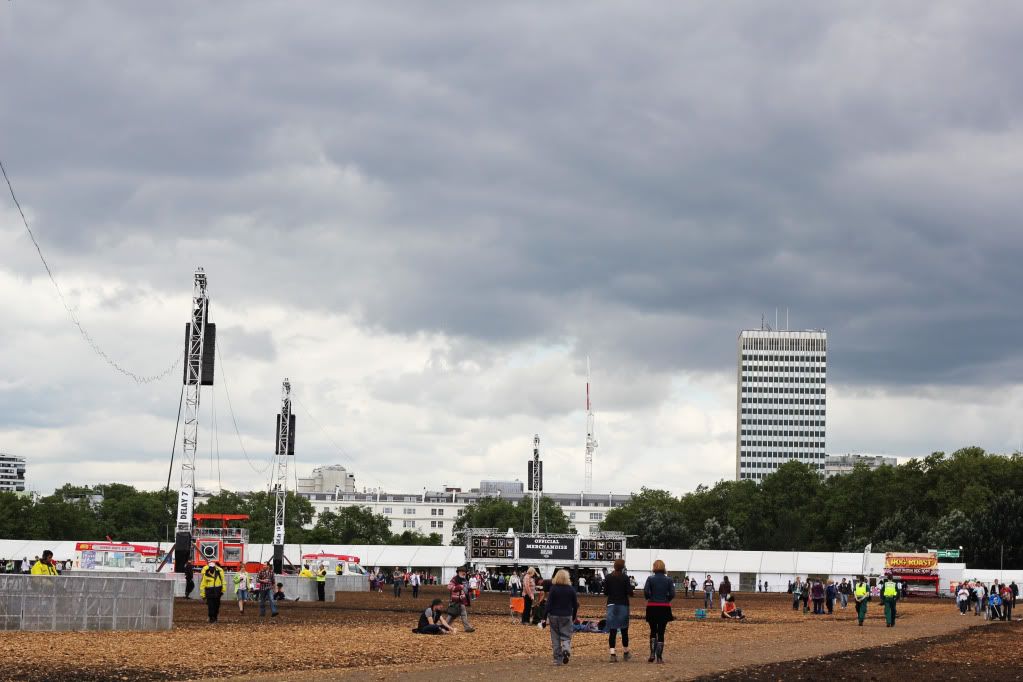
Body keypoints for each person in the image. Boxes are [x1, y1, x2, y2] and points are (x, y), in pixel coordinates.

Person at [644, 559, 675, 664]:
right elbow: (672, 593)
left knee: (653, 630)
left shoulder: (650, 578)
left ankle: (652, 653)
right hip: (664, 607)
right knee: (661, 631)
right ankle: (659, 657)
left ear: (654, 567)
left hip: (652, 606)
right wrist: (667, 600)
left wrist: (650, 597)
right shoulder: (669, 580)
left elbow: (646, 592)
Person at [546, 569, 579, 666]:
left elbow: (548, 604)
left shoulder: (553, 588)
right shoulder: (571, 589)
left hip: (553, 615)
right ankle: (565, 649)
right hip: (566, 615)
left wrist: (544, 617)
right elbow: (575, 605)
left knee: (555, 638)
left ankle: (557, 659)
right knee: (566, 635)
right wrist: (574, 616)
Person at [604, 558, 633, 662]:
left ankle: (612, 654)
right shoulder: (625, 578)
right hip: (623, 605)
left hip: (611, 604)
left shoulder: (608, 577)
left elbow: (605, 592)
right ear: (623, 567)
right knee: (624, 630)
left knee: (612, 630)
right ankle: (625, 652)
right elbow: (630, 592)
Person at [445, 566, 475, 632]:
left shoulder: (464, 580)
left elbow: (466, 589)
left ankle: (446, 627)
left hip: (461, 600)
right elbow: (449, 587)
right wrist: (459, 587)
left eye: (464, 572)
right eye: (462, 571)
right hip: (455, 600)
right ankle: (444, 627)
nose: (463, 573)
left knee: (456, 614)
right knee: (452, 614)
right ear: (458, 572)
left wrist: (471, 589)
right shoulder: (454, 579)